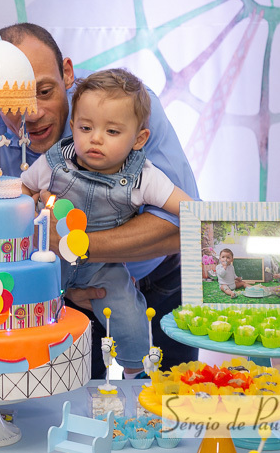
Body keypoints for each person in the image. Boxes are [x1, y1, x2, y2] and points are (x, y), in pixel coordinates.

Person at [0, 22, 200, 379]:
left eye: (44, 91)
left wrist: (71, 246)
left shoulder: (129, 107)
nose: (32, 113)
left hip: (156, 280)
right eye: (13, 101)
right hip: (60, 297)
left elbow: (187, 226)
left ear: (67, 73)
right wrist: (59, 287)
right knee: (72, 403)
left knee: (169, 400)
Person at [21, 68, 192, 376]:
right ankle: (21, 364)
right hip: (51, 263)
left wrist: (223, 223)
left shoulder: (143, 177)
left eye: (112, 132)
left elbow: (188, 209)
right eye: (86, 128)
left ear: (139, 139)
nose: (96, 138)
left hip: (103, 268)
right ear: (73, 126)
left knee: (129, 318)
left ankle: (135, 371)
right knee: (28, 310)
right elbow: (23, 188)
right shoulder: (54, 163)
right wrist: (30, 214)